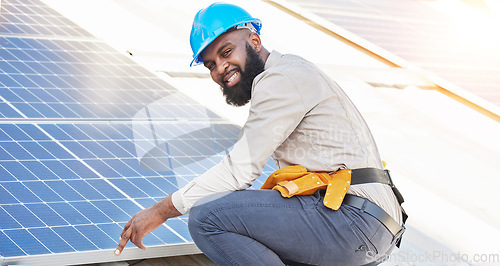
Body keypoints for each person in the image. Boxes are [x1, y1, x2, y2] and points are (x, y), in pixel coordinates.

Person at [116, 3, 406, 265]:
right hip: (366, 226)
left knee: (208, 217)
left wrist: (161, 210)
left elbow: (239, 171)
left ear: (254, 41)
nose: (220, 68)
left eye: (226, 52)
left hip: (353, 220)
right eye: (211, 65)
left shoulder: (280, 78)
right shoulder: (292, 74)